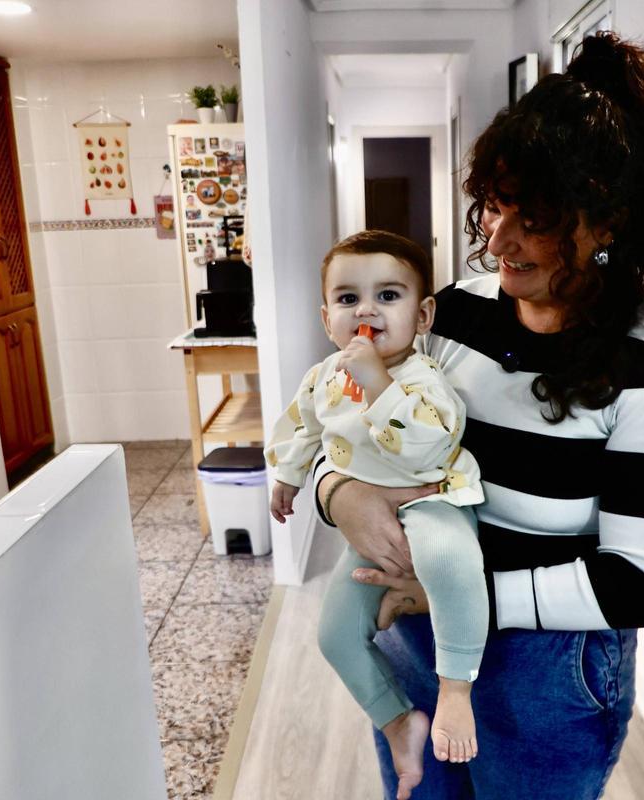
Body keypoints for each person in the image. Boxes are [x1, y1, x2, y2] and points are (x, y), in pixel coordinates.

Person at [310, 32, 644, 799]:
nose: (497, 239)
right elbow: (360, 416)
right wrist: (339, 491)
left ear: (605, 225)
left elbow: (640, 585)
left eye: (532, 218)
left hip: (547, 680)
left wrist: (464, 598)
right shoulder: (455, 312)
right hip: (418, 638)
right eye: (495, 207)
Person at [265, 230, 490, 800]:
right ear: (326, 319)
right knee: (336, 633)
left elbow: (430, 448)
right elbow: (301, 427)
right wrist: (290, 476)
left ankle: (455, 689)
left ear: (422, 314)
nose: (365, 310)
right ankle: (396, 720)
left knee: (449, 561)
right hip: (369, 530)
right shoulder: (323, 378)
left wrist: (379, 383)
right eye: (347, 300)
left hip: (434, 504)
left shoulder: (421, 379)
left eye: (388, 295)